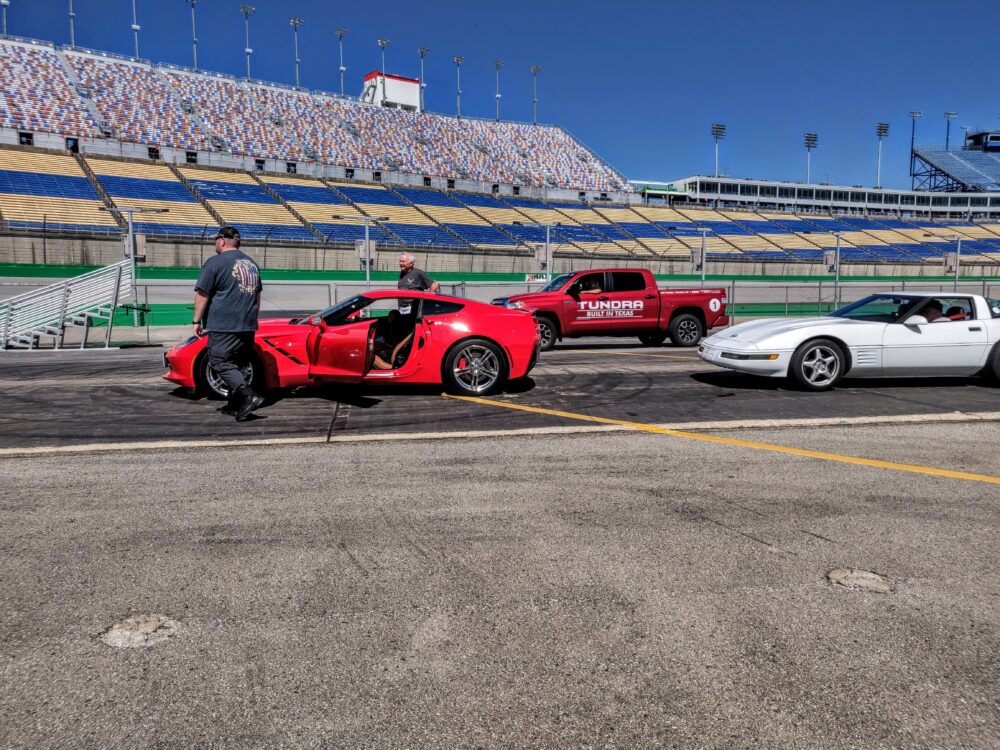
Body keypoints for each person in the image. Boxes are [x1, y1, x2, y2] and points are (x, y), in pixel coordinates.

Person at [193, 226, 264, 421]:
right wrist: (250, 317)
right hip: (247, 324)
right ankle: (235, 404)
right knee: (239, 364)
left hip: (224, 324)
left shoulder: (215, 262)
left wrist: (196, 320)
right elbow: (257, 298)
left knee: (219, 361)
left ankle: (249, 396)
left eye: (216, 240)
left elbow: (202, 293)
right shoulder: (251, 264)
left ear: (222, 241)